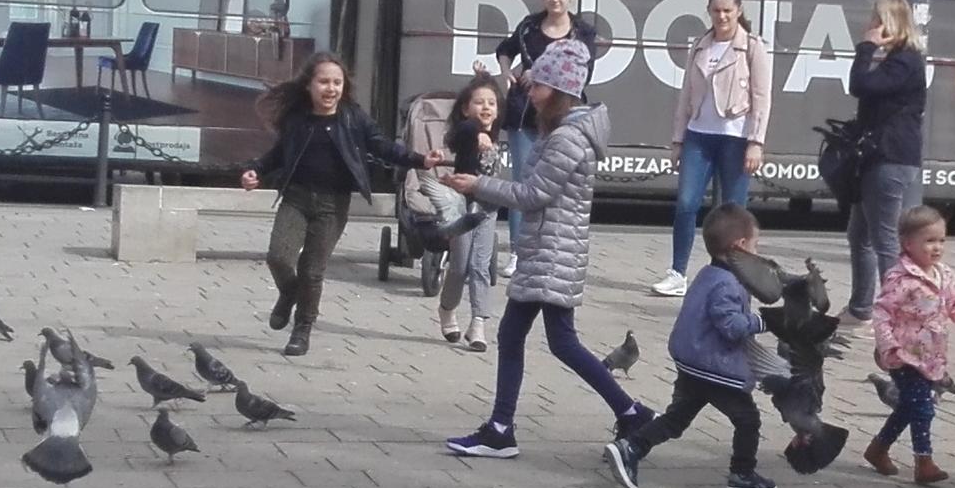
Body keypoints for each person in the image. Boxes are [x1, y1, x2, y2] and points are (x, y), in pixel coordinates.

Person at [443, 35, 655, 460]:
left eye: (538, 86)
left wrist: (478, 185)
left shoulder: (567, 139)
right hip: (549, 250)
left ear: (561, 90)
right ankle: (505, 427)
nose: (530, 92)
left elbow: (532, 193)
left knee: (559, 341)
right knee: (524, 335)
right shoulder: (562, 131)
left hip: (554, 253)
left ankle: (628, 411)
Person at [242, 55, 422, 357]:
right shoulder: (297, 119)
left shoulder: (353, 117)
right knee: (278, 257)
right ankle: (289, 292)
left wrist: (419, 159)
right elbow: (277, 155)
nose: (331, 88)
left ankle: (302, 329)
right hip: (296, 198)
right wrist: (255, 171)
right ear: (310, 86)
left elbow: (383, 146)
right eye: (324, 82)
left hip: (332, 204)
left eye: (337, 82)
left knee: (312, 271)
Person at [608, 204, 774, 488]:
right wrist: (763, 322)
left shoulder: (707, 273)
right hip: (716, 368)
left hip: (692, 364)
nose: (758, 253)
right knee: (748, 420)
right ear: (740, 247)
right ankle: (742, 474)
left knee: (676, 419)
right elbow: (732, 326)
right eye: (756, 245)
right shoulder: (728, 284)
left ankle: (631, 446)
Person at [656, 0, 770, 298]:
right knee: (687, 203)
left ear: (739, 11)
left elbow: (762, 98)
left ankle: (729, 275)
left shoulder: (752, 47)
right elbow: (685, 95)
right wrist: (678, 139)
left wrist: (755, 142)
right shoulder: (701, 45)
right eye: (716, 10)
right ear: (709, 11)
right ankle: (677, 272)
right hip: (699, 135)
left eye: (727, 11)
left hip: (735, 137)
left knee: (732, 212)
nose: (722, 16)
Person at [865, 204, 955, 483]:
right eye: (929, 241)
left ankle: (878, 448)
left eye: (942, 240)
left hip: (932, 356)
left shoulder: (944, 274)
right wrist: (887, 346)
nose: (937, 248)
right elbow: (882, 312)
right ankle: (924, 462)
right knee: (923, 406)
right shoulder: (900, 278)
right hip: (903, 355)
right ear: (908, 244)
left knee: (909, 406)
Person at [492, 0, 607, 259]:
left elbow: (583, 73)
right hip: (524, 113)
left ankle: (548, 245)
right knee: (523, 180)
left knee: (557, 184)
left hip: (561, 114)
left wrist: (542, 75)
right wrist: (507, 72)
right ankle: (519, 251)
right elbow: (505, 50)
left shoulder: (583, 32)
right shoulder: (529, 25)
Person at [843, 0, 929, 320]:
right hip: (879, 157)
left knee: (883, 237)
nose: (871, 26)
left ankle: (896, 310)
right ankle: (861, 306)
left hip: (890, 157)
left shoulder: (904, 61)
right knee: (860, 233)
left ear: (891, 24)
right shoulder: (898, 60)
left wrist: (866, 47)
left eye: (877, 20)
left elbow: (860, 84)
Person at [429, 78, 505, 350]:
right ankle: (447, 308)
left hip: (487, 209)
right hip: (461, 208)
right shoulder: (466, 131)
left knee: (480, 266)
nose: (486, 107)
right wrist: (476, 133)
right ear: (465, 109)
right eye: (479, 102)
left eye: (492, 103)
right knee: (459, 267)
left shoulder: (496, 134)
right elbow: (456, 136)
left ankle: (478, 323)